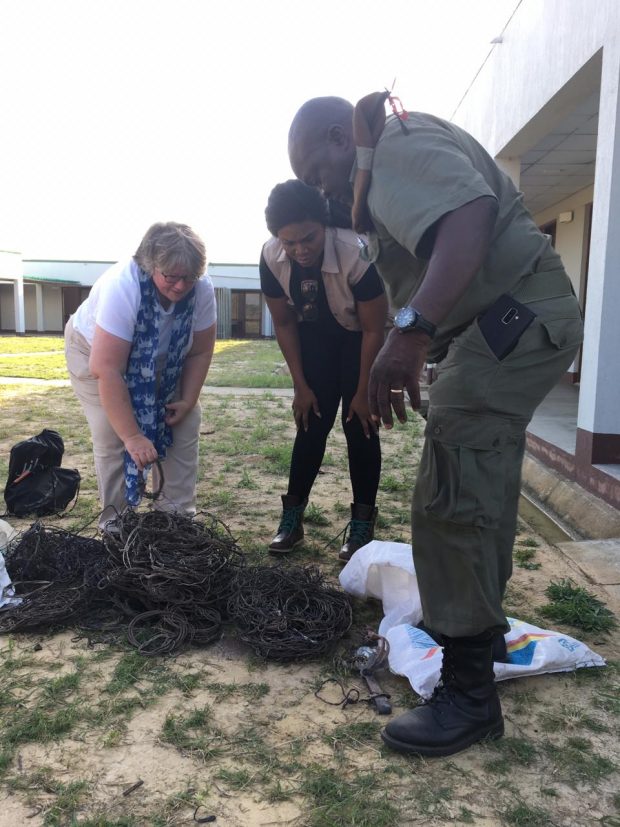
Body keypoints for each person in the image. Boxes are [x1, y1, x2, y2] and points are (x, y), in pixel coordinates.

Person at [288, 93, 583, 757]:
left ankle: (469, 696)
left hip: (515, 316)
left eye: (315, 169)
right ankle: (480, 640)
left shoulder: (394, 145)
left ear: (341, 137)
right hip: (508, 321)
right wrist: (431, 341)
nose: (319, 186)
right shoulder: (381, 162)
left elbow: (470, 218)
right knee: (479, 482)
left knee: (450, 492)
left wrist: (412, 331)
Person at [260, 179, 387, 559]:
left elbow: (373, 328)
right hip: (314, 338)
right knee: (310, 424)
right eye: (289, 242)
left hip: (359, 341)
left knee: (360, 427)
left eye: (309, 239)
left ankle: (362, 526)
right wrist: (300, 384)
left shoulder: (354, 251)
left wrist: (364, 391)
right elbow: (283, 323)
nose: (299, 250)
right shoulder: (270, 255)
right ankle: (292, 520)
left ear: (324, 225)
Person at [64, 222, 217, 526]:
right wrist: (133, 436)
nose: (181, 286)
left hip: (164, 360)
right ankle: (116, 523)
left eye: (190, 277)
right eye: (171, 277)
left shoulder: (201, 289)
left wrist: (187, 401)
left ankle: (175, 520)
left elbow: (199, 352)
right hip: (95, 355)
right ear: (150, 265)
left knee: (185, 423)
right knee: (113, 433)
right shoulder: (123, 286)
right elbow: (107, 369)